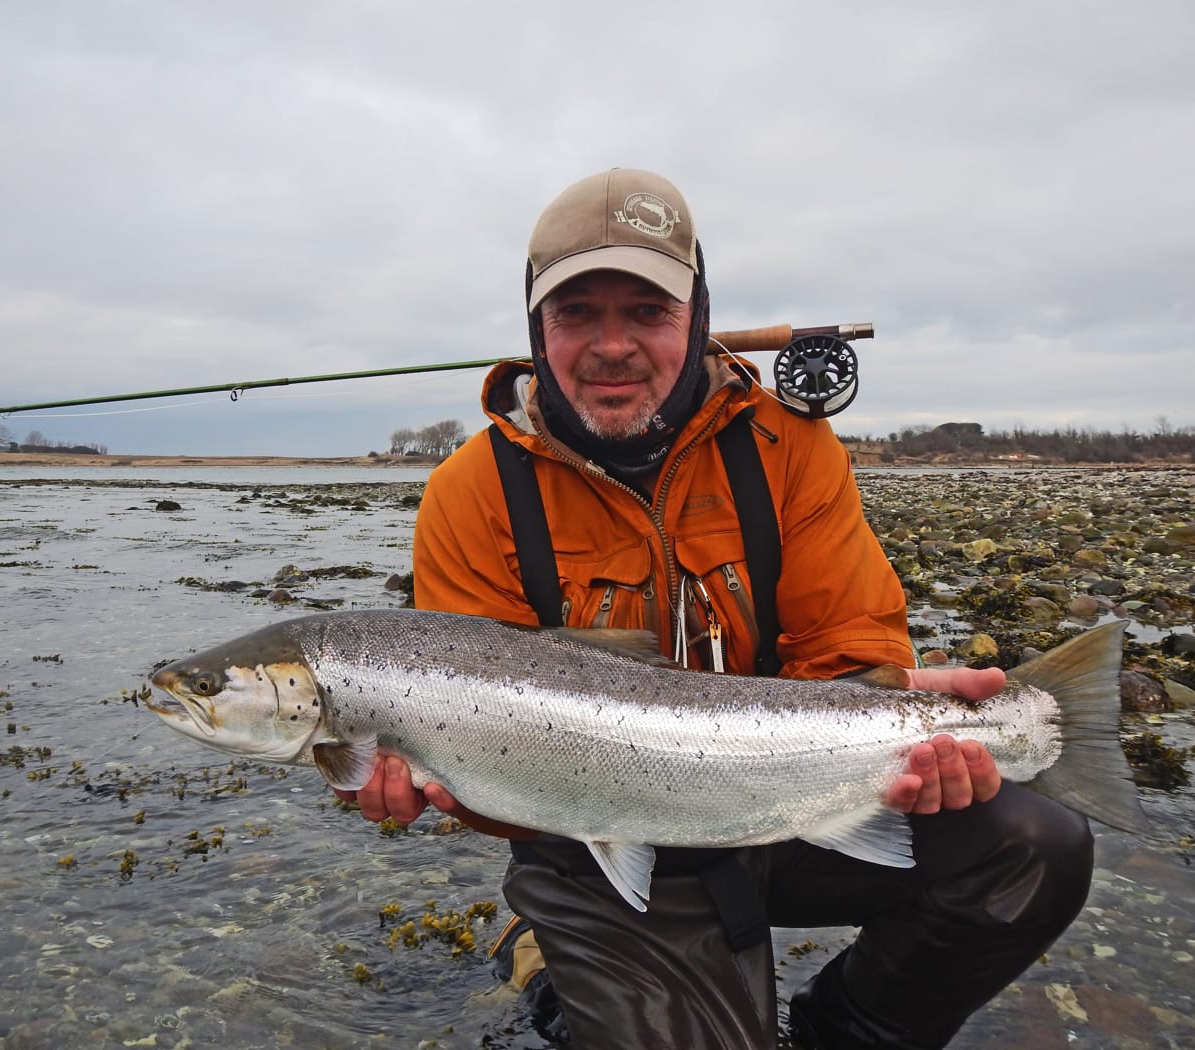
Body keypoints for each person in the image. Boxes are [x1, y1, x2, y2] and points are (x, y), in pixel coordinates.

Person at [336, 168, 1095, 1048]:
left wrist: (888, 699)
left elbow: (847, 648)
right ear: (536, 327)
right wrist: (434, 774)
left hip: (791, 792)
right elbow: (487, 751)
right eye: (577, 312)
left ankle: (839, 1033)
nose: (611, 347)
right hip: (594, 840)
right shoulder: (469, 493)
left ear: (696, 317)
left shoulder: (789, 448)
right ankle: (549, 953)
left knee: (1036, 850)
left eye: (648, 312)